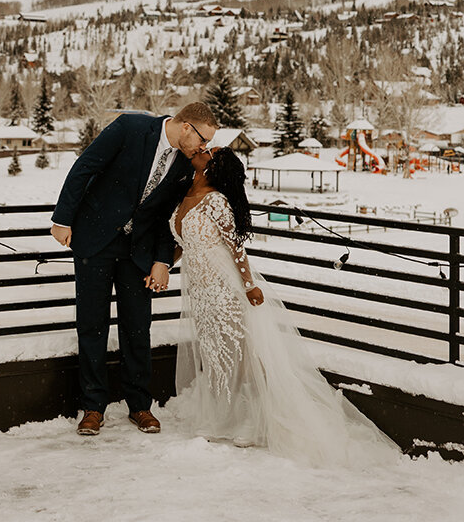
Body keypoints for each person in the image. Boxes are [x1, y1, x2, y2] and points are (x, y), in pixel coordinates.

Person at [170, 146, 397, 466]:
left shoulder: (217, 201)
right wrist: (160, 265)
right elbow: (184, 242)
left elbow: (235, 246)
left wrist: (249, 285)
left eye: (210, 151)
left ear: (212, 166)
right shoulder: (184, 191)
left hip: (224, 287)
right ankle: (225, 415)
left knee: (240, 352)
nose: (203, 149)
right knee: (214, 352)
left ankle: (254, 416)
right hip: (199, 291)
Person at [50, 102, 219, 437]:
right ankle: (93, 408)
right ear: (185, 126)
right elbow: (84, 167)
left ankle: (139, 405)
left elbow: (165, 215)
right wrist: (62, 219)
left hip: (138, 253)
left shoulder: (186, 164)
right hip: (94, 240)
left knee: (138, 329)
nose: (204, 148)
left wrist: (161, 260)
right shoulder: (130, 128)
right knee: (92, 325)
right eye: (202, 139)